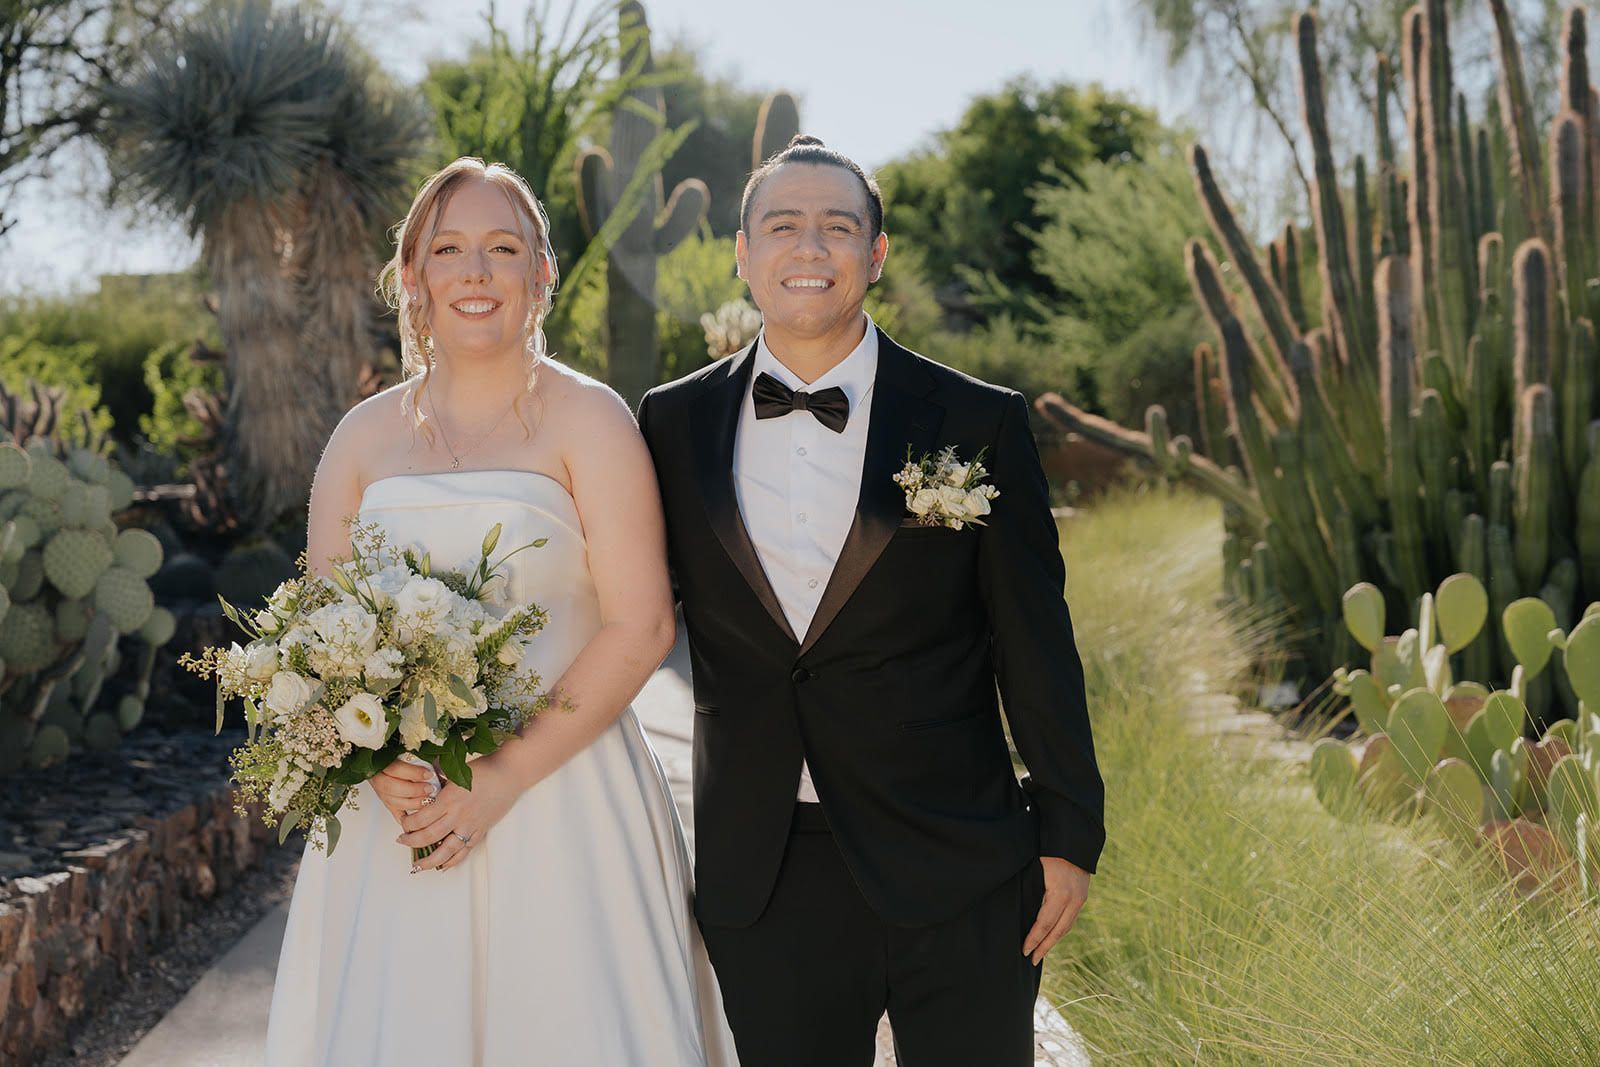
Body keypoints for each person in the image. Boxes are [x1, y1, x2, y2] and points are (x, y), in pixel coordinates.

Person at [637, 135, 1106, 1067]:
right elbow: (628, 615)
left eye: (837, 227)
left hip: (959, 859)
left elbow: (1033, 638)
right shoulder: (666, 422)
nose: (808, 249)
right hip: (765, 869)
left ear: (876, 253)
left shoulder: (978, 420)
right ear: (742, 251)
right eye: (782, 226)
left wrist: (1070, 832)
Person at [265, 157, 736, 1067]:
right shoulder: (359, 440)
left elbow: (642, 624)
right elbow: (315, 641)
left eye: (502, 248)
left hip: (562, 802)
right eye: (448, 248)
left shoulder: (591, 422)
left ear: (540, 274)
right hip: (400, 816)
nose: (475, 272)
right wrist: (372, 766)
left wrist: (503, 778)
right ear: (413, 276)